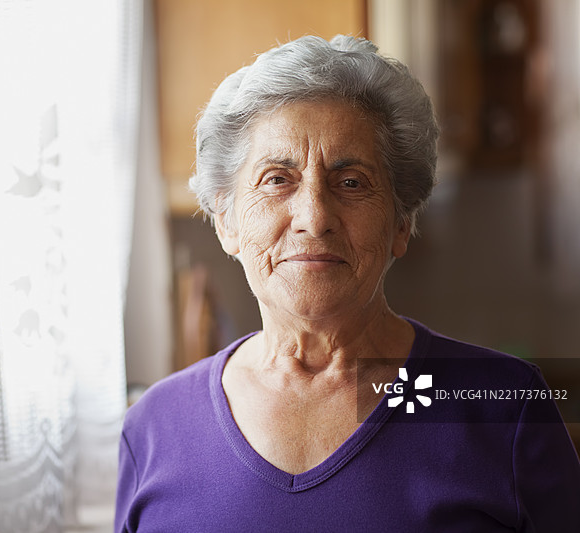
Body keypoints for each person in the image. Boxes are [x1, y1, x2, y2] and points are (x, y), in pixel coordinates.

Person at [115, 35, 580, 532]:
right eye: (277, 179)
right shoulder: (153, 428)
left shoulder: (503, 407)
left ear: (401, 223)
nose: (314, 217)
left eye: (352, 182)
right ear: (226, 221)